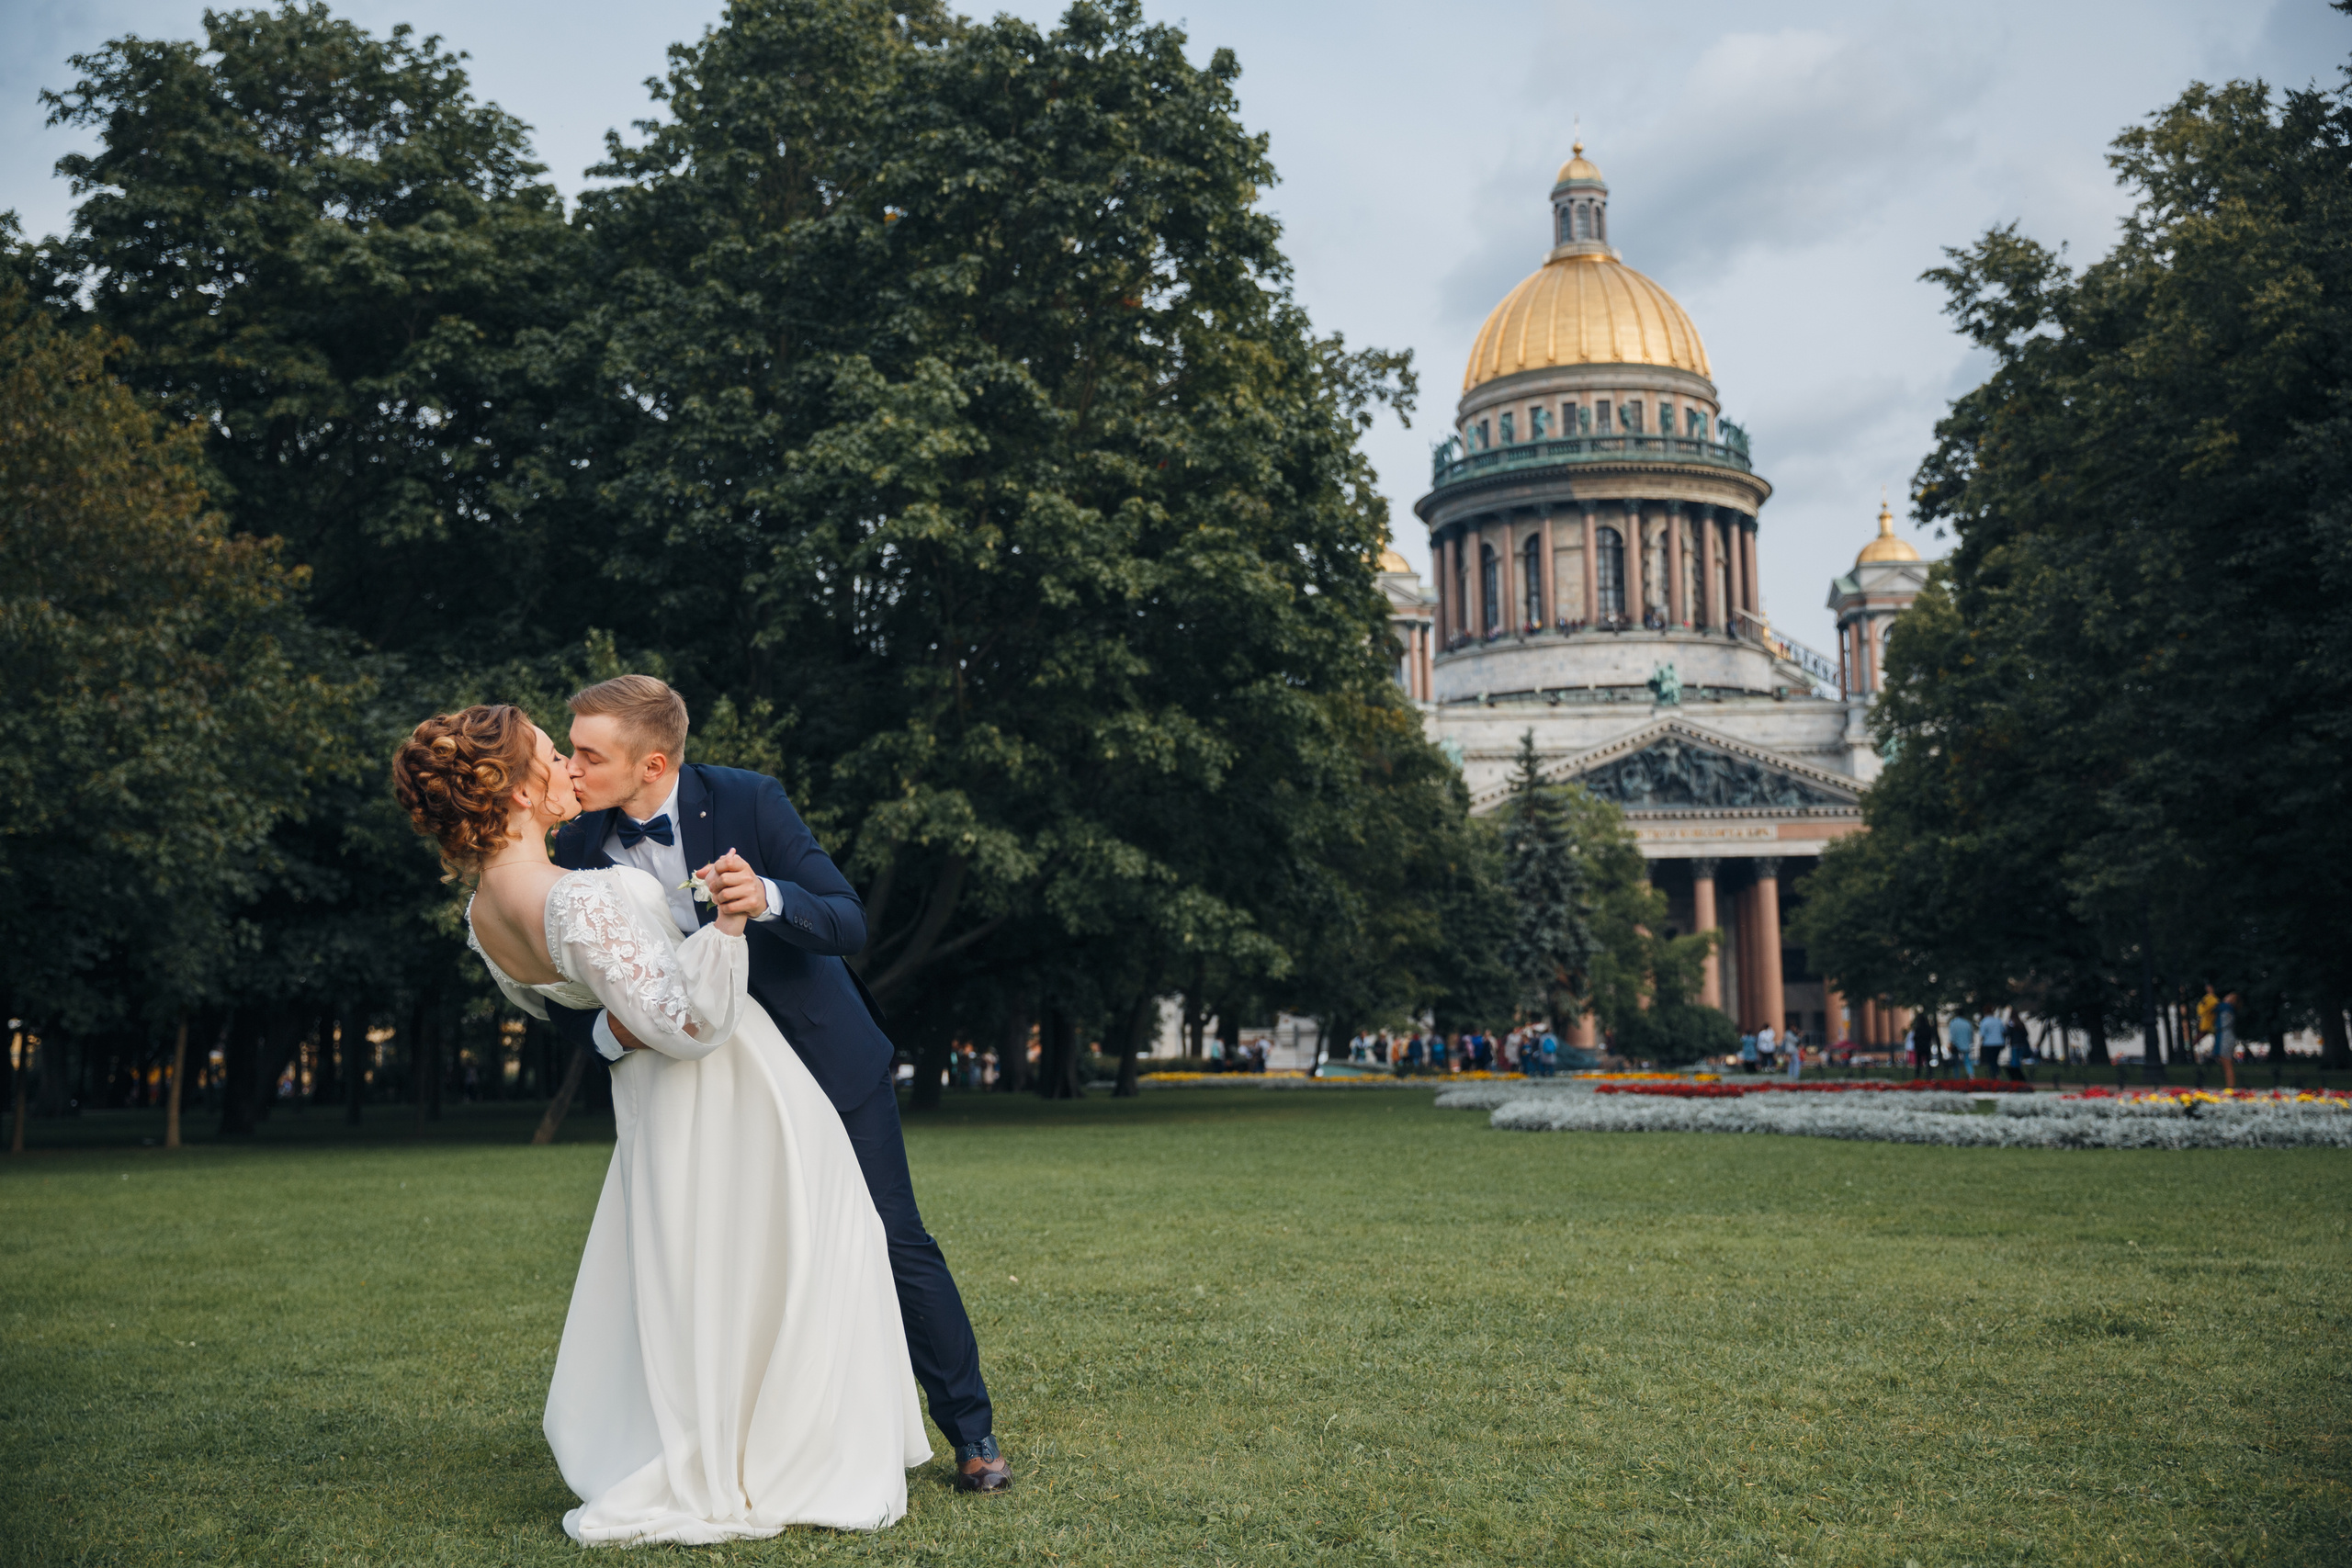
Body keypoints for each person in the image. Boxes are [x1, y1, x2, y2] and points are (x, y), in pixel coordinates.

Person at [393, 705, 936, 1542]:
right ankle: (787, 1453)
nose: (570, 768)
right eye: (553, 754)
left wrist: (635, 1014)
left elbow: (565, 1005)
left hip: (654, 1112)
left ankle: (738, 1436)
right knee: (801, 1257)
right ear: (520, 787)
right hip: (732, 1093)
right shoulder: (584, 892)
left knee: (701, 1276)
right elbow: (696, 1026)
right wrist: (725, 927)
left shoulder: (482, 918)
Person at [2218, 991, 2240, 1089]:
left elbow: (2214, 1007)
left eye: (2229, 996)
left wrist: (2210, 994)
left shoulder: (2226, 1008)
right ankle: (2229, 1085)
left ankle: (2230, 1087)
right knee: (2226, 1063)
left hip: (2226, 1038)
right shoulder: (2228, 1009)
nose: (2226, 997)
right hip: (2226, 1036)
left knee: (2227, 1064)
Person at [1976, 1010, 2007, 1079]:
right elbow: (2003, 1031)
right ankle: (1997, 1073)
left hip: (1989, 1043)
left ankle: (1993, 1074)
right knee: (1995, 1059)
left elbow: (1982, 1034)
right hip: (1999, 1043)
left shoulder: (1984, 1021)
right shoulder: (1998, 1021)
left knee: (1991, 1060)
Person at [1947, 1011, 1975, 1080]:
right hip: (1966, 1044)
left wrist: (1950, 1044)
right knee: (1967, 1061)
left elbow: (1952, 1035)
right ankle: (1971, 1075)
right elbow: (1971, 1034)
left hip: (1956, 1045)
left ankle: (1956, 1077)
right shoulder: (1967, 1023)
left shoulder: (1953, 1023)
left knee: (1956, 1063)